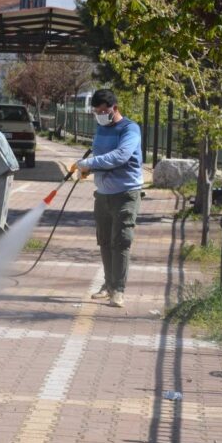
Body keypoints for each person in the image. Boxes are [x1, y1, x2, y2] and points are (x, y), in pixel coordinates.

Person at [72, 89, 143, 308]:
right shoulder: (101, 128)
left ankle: (118, 290)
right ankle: (108, 285)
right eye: (97, 111)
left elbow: (121, 155)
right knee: (104, 241)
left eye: (104, 110)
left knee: (120, 241)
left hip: (125, 194)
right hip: (102, 194)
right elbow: (99, 156)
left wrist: (90, 164)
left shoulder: (130, 129)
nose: (100, 114)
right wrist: (88, 169)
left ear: (115, 108)